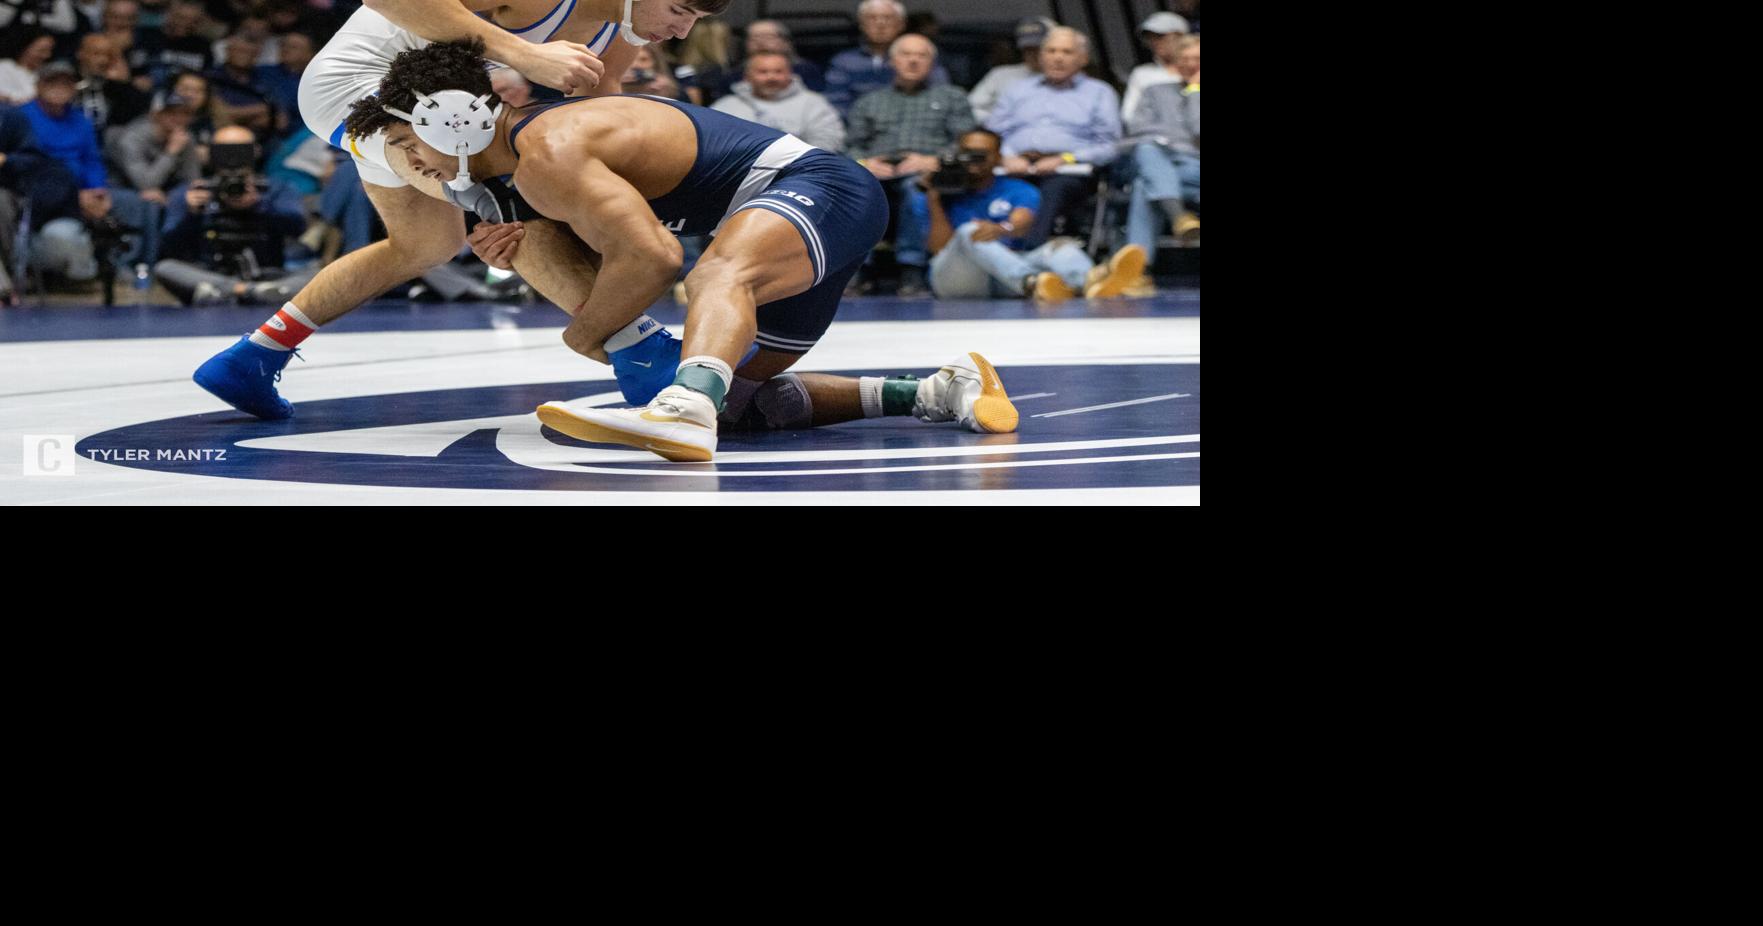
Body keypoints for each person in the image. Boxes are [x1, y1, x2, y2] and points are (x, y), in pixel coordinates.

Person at [356, 41, 1017, 463]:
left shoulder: (547, 152)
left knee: (715, 279)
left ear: (449, 116)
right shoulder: (526, 171)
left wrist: (585, 335)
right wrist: (522, 232)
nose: (415, 164)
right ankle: (939, 390)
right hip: (806, 209)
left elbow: (652, 257)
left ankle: (683, 410)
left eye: (409, 144)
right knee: (745, 404)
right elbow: (611, 237)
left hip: (817, 187)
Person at [191, 0, 731, 422]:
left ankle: (252, 358)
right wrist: (522, 53)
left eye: (695, 19)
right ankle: (637, 352)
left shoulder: (621, 34)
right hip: (360, 83)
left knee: (427, 245)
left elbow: (594, 120)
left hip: (437, 103)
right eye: (679, 11)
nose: (682, 32)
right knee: (506, 194)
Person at [918, 128, 1145, 303]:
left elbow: (1022, 222)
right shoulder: (941, 189)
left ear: (998, 157)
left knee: (1060, 247)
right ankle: (1032, 282)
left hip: (1003, 275)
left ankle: (1091, 280)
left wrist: (1001, 229)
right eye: (967, 154)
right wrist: (934, 198)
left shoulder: (1018, 189)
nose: (972, 162)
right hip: (956, 279)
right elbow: (938, 249)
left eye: (981, 155)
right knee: (970, 231)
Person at [846, 32, 973, 296]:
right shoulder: (869, 101)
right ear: (891, 61)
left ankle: (911, 269)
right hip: (877, 169)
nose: (913, 61)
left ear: (933, 63)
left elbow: (965, 141)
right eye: (906, 55)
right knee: (857, 187)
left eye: (922, 55)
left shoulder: (953, 97)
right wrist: (864, 163)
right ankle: (856, 269)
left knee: (915, 189)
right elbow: (851, 145)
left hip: (928, 170)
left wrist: (933, 160)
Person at [986, 27, 1120, 247]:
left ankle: (1027, 253)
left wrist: (1064, 159)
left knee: (1050, 190)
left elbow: (1110, 146)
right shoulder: (1017, 90)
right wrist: (1006, 156)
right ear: (1041, 56)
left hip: (1068, 170)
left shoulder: (1099, 93)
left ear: (1083, 58)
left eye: (1067, 52)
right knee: (988, 184)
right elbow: (993, 134)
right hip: (1015, 165)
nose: (1058, 58)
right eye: (1051, 51)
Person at [155, 124, 315, 304]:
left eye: (240, 150)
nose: (232, 157)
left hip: (267, 274)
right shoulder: (194, 192)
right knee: (164, 268)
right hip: (209, 273)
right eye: (224, 151)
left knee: (317, 274)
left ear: (255, 151)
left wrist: (258, 205)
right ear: (212, 153)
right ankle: (245, 292)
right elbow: (168, 246)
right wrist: (191, 214)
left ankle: (228, 294)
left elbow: (298, 227)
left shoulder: (274, 189)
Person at [1124, 49, 1200, 251]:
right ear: (1176, 64)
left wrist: (1194, 91)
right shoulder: (1155, 91)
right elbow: (1137, 128)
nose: (1191, 64)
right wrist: (1175, 140)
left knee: (1145, 184)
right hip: (1165, 159)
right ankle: (1179, 217)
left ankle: (1138, 270)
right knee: (1146, 148)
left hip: (1194, 166)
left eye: (1197, 59)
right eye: (1185, 58)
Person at [824, 0, 948, 117]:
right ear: (861, 25)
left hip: (914, 128)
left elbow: (940, 97)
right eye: (872, 18)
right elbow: (836, 105)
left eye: (888, 18)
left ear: (901, 24)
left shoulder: (920, 56)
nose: (880, 24)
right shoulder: (843, 61)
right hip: (859, 132)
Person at [710, 51, 843, 153]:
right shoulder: (726, 106)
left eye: (778, 71)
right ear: (747, 76)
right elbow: (714, 144)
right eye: (763, 72)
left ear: (790, 74)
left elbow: (829, 141)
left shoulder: (814, 102)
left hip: (803, 172)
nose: (771, 77)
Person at [967, 17, 1052, 124]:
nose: (1033, 54)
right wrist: (998, 122)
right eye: (1027, 49)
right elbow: (971, 107)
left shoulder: (1064, 78)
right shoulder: (1000, 75)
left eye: (1038, 48)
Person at [1119, 11, 1190, 126]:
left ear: (1181, 36)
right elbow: (1129, 115)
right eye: (1150, 38)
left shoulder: (1196, 70)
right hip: (1157, 138)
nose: (1155, 42)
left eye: (1161, 36)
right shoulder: (1142, 74)